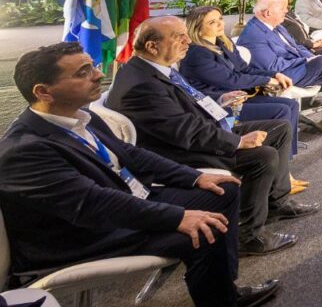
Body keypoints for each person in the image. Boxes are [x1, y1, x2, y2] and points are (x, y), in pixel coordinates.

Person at [0, 43, 280, 307]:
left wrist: (193, 177)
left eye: (93, 66)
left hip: (121, 201)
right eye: (83, 72)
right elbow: (93, 204)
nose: (98, 75)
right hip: (82, 236)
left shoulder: (82, 116)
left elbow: (131, 154)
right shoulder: (26, 149)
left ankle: (221, 287)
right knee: (209, 229)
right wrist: (178, 216)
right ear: (43, 92)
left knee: (222, 190)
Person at [107, 17, 317, 256]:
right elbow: (184, 131)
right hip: (179, 152)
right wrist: (238, 141)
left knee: (278, 128)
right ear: (152, 46)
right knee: (263, 156)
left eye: (186, 34)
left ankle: (276, 202)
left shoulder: (154, 68)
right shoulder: (141, 85)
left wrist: (220, 101)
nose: (188, 41)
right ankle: (248, 235)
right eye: (178, 37)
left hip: (202, 130)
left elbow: (187, 103)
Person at [179, 6, 303, 161]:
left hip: (237, 97)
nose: (220, 24)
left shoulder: (223, 43)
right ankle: (276, 165)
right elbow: (231, 80)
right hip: (217, 105)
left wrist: (274, 74)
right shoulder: (197, 53)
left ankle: (285, 163)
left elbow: (244, 69)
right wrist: (266, 80)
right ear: (198, 29)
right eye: (212, 22)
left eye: (220, 19)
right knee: (281, 111)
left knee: (291, 105)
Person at [238, 0, 322, 137]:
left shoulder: (276, 27)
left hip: (295, 68)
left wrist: (310, 58)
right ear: (268, 13)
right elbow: (273, 67)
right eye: (282, 8)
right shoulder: (254, 35)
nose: (286, 11)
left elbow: (297, 48)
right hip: (282, 76)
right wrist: (306, 62)